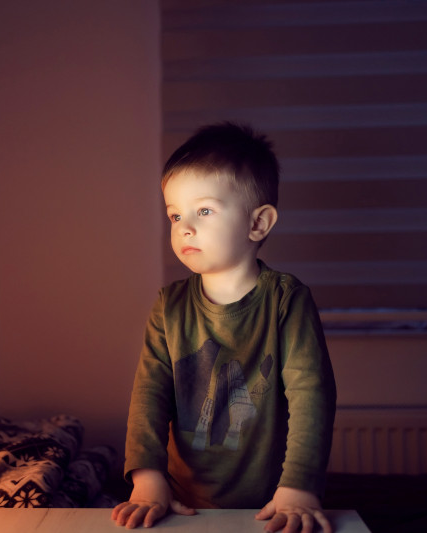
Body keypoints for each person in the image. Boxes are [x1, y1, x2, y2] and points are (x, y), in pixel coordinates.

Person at [111, 123, 336, 532]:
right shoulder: (169, 306)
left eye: (205, 210)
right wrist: (147, 479)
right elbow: (149, 395)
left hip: (272, 502)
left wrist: (299, 488)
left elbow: (311, 395)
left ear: (258, 224)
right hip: (182, 502)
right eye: (175, 214)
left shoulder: (287, 299)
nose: (184, 227)